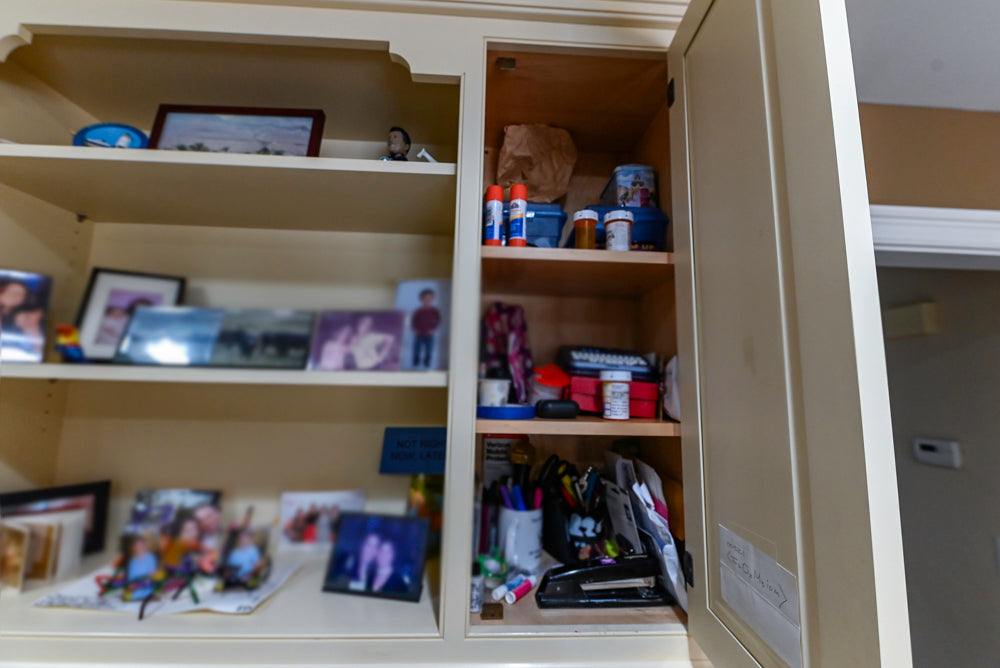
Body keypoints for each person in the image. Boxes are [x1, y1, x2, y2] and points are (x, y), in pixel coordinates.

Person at [410, 288, 441, 369]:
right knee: (417, 349)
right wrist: (415, 329)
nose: (428, 300)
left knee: (429, 349)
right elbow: (413, 321)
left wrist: (433, 329)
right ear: (421, 299)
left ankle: (427, 362)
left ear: (433, 299)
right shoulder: (418, 311)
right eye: (426, 298)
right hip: (419, 333)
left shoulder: (434, 311)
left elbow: (438, 320)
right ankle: (416, 361)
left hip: (429, 334)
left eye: (430, 298)